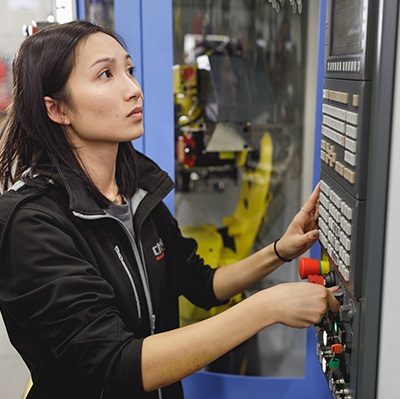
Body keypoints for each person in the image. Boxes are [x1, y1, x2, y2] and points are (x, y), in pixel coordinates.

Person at [0, 20, 340, 399]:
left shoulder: (138, 191)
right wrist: (266, 308)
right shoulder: (31, 223)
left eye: (129, 70)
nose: (133, 90)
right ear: (57, 109)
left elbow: (202, 284)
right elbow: (114, 363)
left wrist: (280, 250)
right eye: (106, 75)